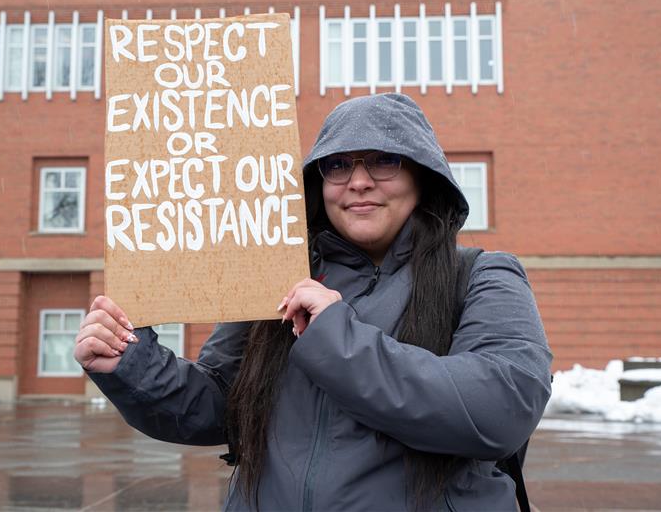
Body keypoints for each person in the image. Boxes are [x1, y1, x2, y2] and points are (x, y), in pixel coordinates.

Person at [75, 93, 553, 511]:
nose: (359, 181)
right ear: (317, 184)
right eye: (338, 165)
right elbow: (220, 406)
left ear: (422, 177)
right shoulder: (277, 278)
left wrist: (335, 337)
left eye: (384, 161)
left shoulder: (482, 275)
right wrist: (130, 360)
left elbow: (499, 407)